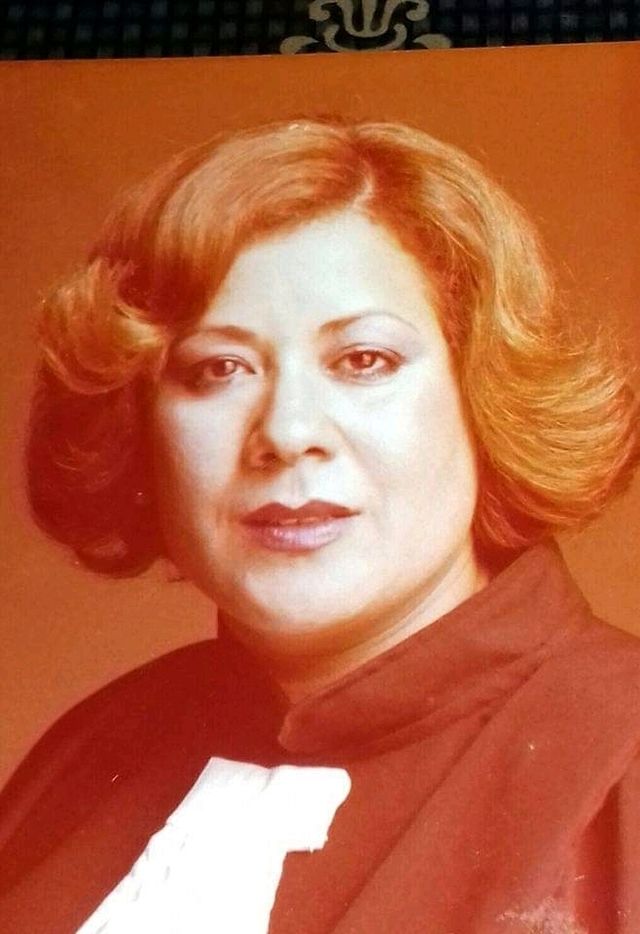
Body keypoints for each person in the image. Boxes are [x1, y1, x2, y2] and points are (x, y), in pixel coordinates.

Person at [1, 119, 639, 933]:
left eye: (363, 361)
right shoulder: (92, 750)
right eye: (219, 368)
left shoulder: (623, 755)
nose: (287, 430)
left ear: (487, 395)